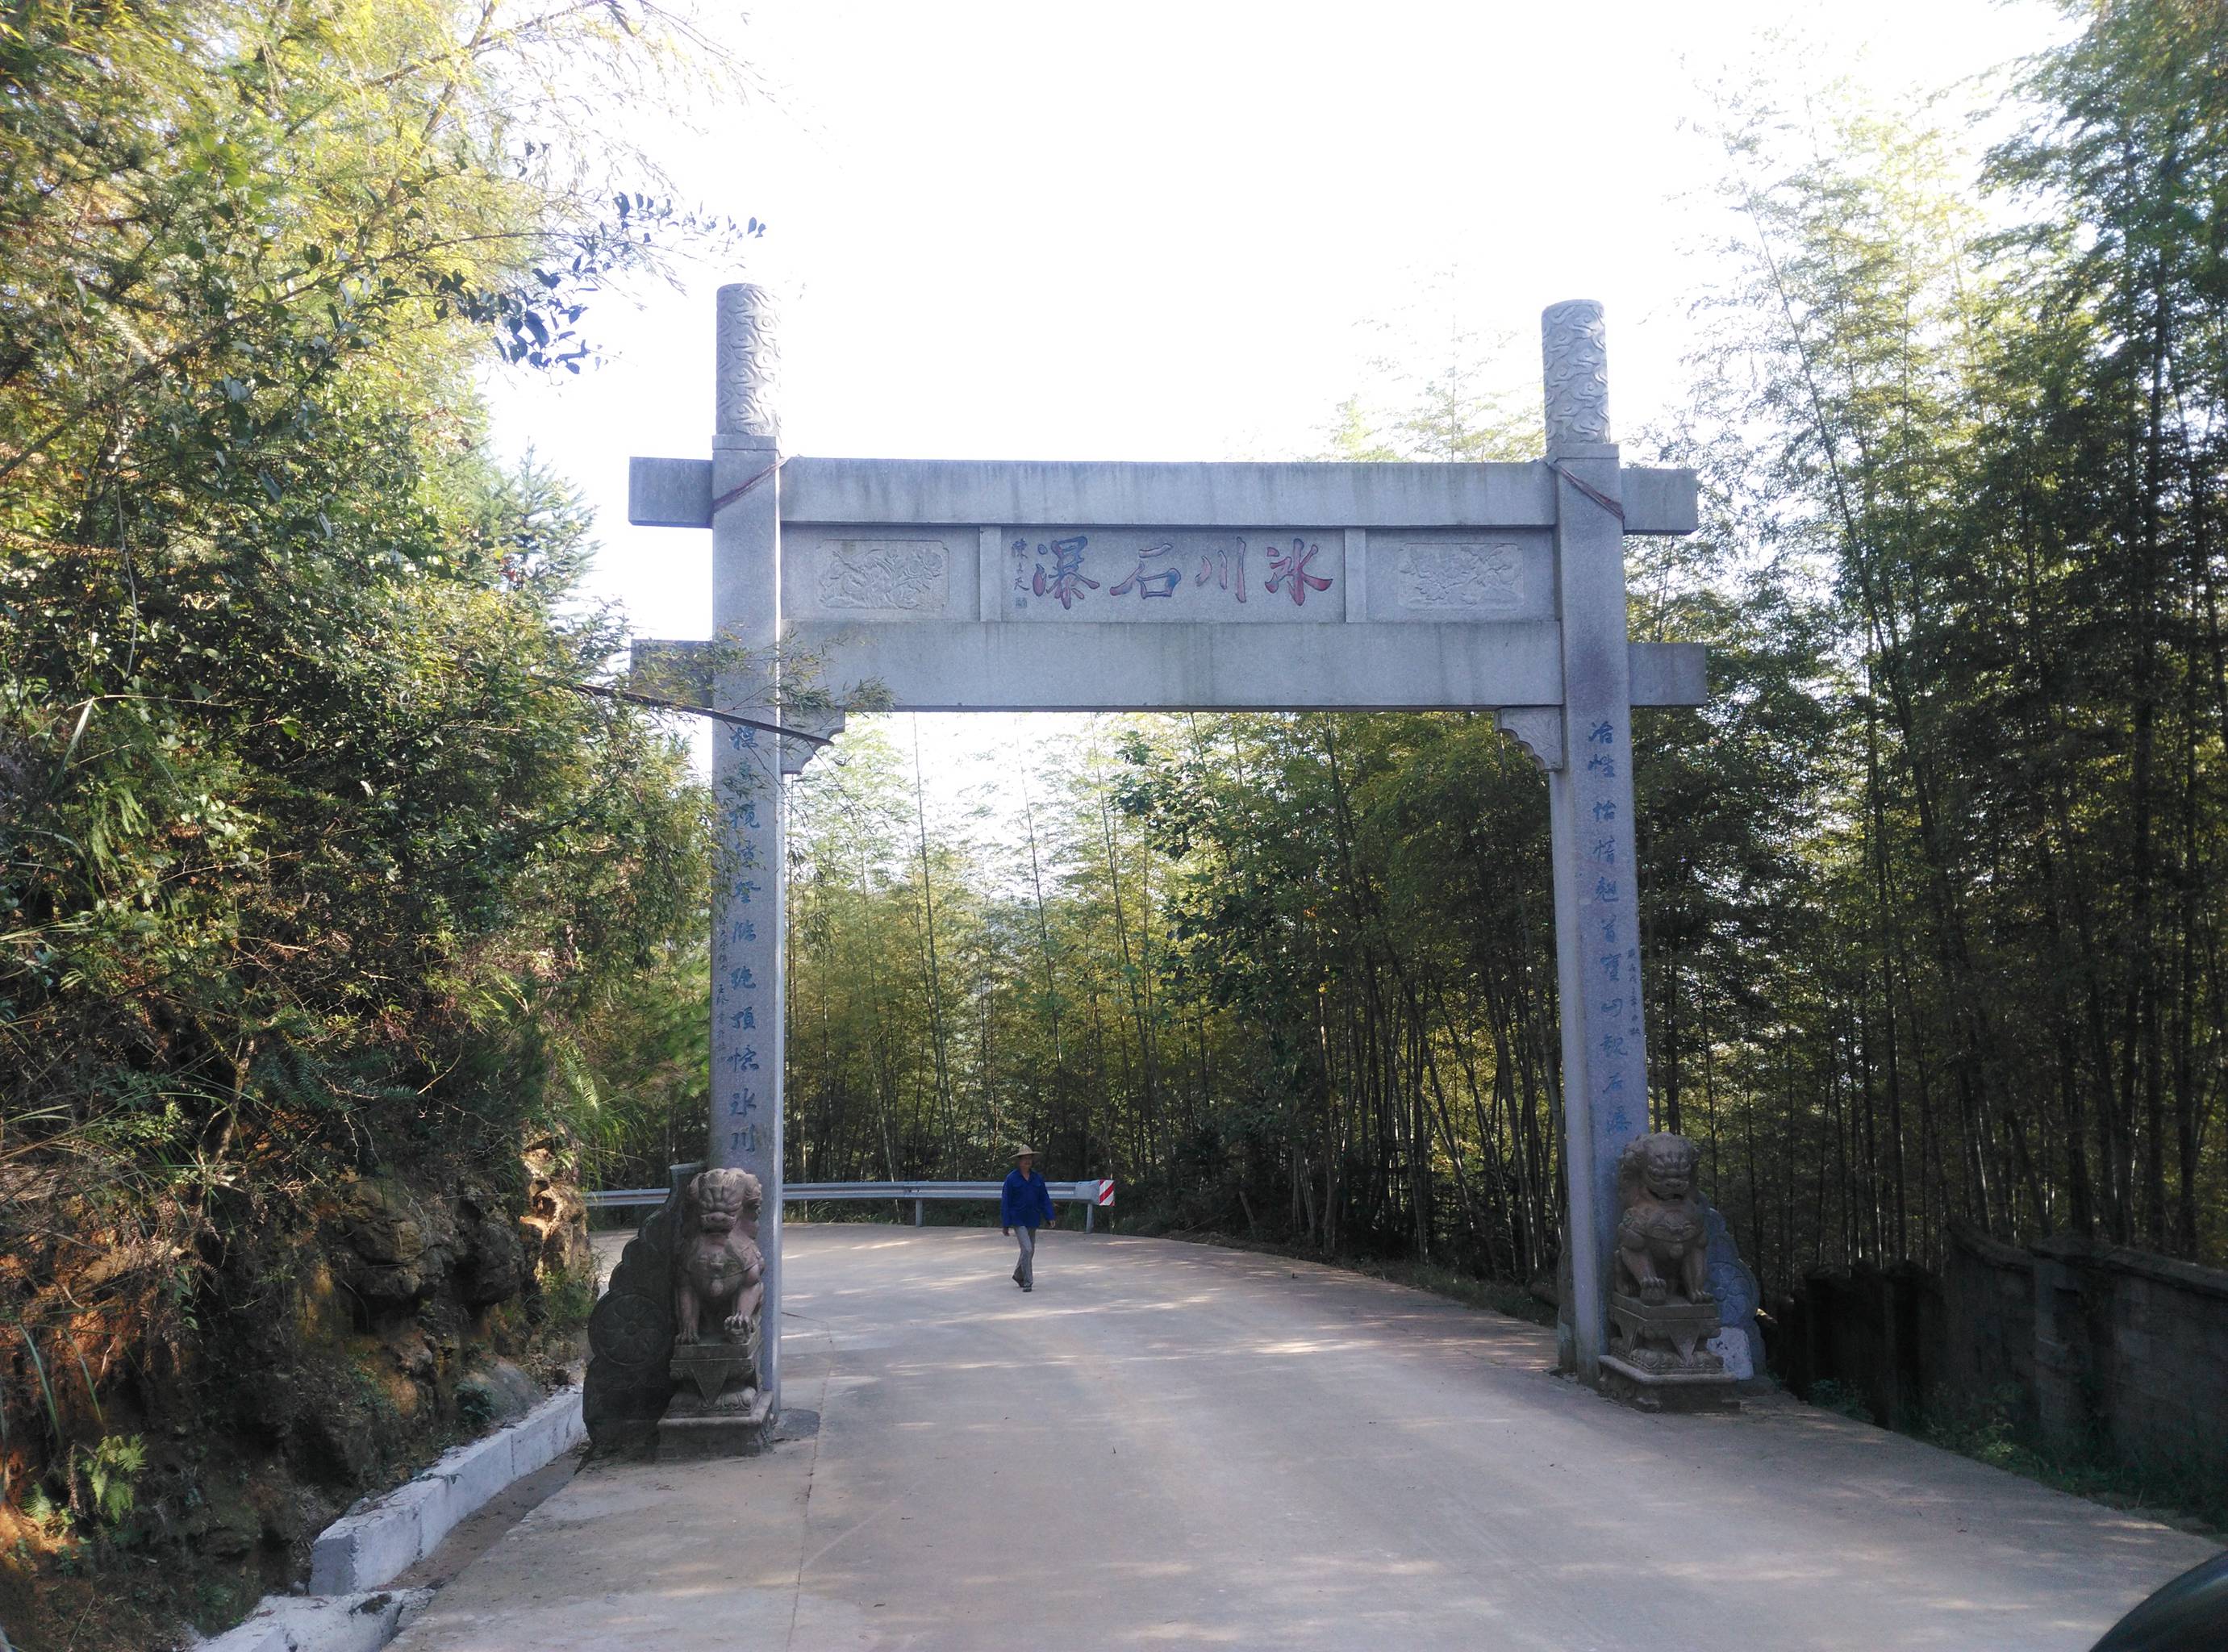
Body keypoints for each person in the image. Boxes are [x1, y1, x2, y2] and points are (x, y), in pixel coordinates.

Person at [1000, 1145, 1057, 1292]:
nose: (1027, 1161)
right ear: (1019, 1161)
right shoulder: (1011, 1179)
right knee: (1027, 1248)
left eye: (1029, 1158)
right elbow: (1006, 1201)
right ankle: (1028, 1281)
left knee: (1030, 1251)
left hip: (1033, 1217)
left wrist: (1049, 1216)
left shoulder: (1037, 1178)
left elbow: (1044, 1198)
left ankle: (1018, 1274)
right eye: (1024, 1159)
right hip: (1018, 1219)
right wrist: (1006, 1224)